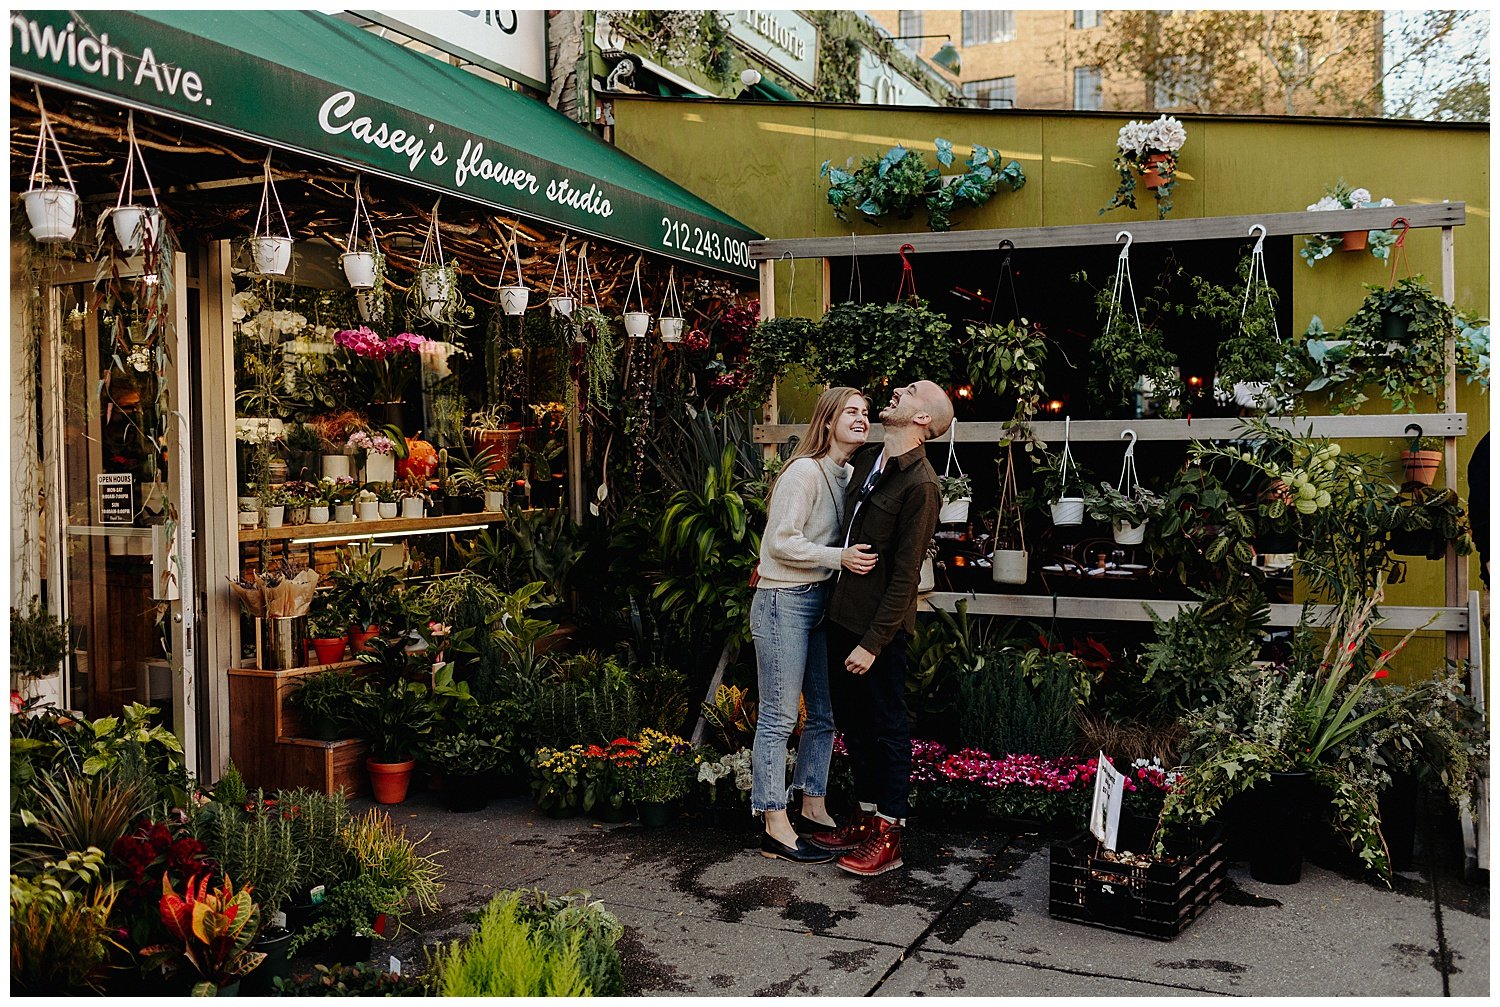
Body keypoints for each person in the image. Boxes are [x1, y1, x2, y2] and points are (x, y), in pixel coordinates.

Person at [811, 379, 952, 876]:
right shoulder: (871, 460)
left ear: (922, 420)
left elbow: (906, 577)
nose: (896, 391)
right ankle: (866, 819)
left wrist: (874, 644)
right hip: (842, 616)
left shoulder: (922, 485)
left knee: (887, 729)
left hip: (880, 632)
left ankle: (890, 834)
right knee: (854, 726)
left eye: (910, 392)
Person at [751, 386, 879, 864]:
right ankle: (773, 821)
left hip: (822, 602)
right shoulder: (804, 471)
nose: (861, 418)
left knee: (824, 714)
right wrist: (839, 558)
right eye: (851, 411)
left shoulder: (849, 475)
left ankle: (812, 804)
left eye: (866, 412)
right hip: (784, 598)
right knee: (779, 717)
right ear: (827, 422)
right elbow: (781, 542)